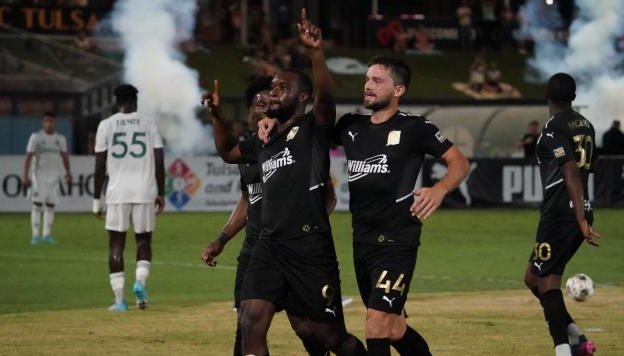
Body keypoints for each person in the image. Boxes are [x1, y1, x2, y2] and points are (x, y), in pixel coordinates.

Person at [261, 55, 470, 355]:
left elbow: (459, 163)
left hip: (397, 242)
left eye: (377, 81)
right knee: (394, 328)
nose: (368, 86)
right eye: (367, 80)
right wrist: (274, 121)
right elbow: (309, 128)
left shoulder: (415, 127)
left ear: (398, 90)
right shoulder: (350, 126)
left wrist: (440, 189)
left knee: (375, 325)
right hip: (362, 243)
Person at [203, 9, 366, 356]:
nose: (273, 92)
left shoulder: (313, 129)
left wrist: (315, 53)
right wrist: (217, 118)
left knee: (327, 336)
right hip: (268, 245)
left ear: (302, 97)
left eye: (282, 87)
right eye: (272, 86)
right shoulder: (264, 138)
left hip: (309, 247)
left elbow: (328, 98)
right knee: (250, 322)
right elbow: (229, 153)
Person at [201, 76, 335, 356]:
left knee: (306, 328)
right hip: (256, 249)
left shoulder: (296, 142)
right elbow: (249, 199)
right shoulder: (252, 149)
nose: (266, 106)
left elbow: (327, 196)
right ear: (251, 112)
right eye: (259, 103)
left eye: (271, 100)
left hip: (295, 246)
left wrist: (306, 225)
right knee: (246, 324)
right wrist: (222, 239)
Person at [523, 73, 600, 356]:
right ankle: (579, 341)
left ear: (546, 94)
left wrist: (578, 216)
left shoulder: (553, 129)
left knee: (547, 282)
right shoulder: (587, 125)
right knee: (533, 279)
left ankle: (565, 350)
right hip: (581, 208)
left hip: (560, 213)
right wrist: (584, 213)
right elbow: (587, 168)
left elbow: (570, 171)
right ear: (574, 97)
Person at [92, 84, 165, 312]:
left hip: (116, 192)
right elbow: (160, 160)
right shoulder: (149, 122)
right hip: (145, 190)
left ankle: (119, 300)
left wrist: (96, 199)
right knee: (143, 241)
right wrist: (161, 192)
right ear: (136, 101)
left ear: (116, 101)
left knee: (116, 245)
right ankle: (140, 283)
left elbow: (99, 163)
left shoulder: (106, 125)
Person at [23, 112, 72, 245]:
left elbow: (64, 156)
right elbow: (28, 157)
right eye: (46, 121)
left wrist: (68, 172)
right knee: (37, 204)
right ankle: (35, 235)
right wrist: (25, 176)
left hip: (54, 177)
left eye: (51, 121)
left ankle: (46, 235)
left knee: (50, 205)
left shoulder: (60, 139)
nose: (49, 123)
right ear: (43, 122)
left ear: (55, 122)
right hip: (39, 176)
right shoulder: (36, 137)